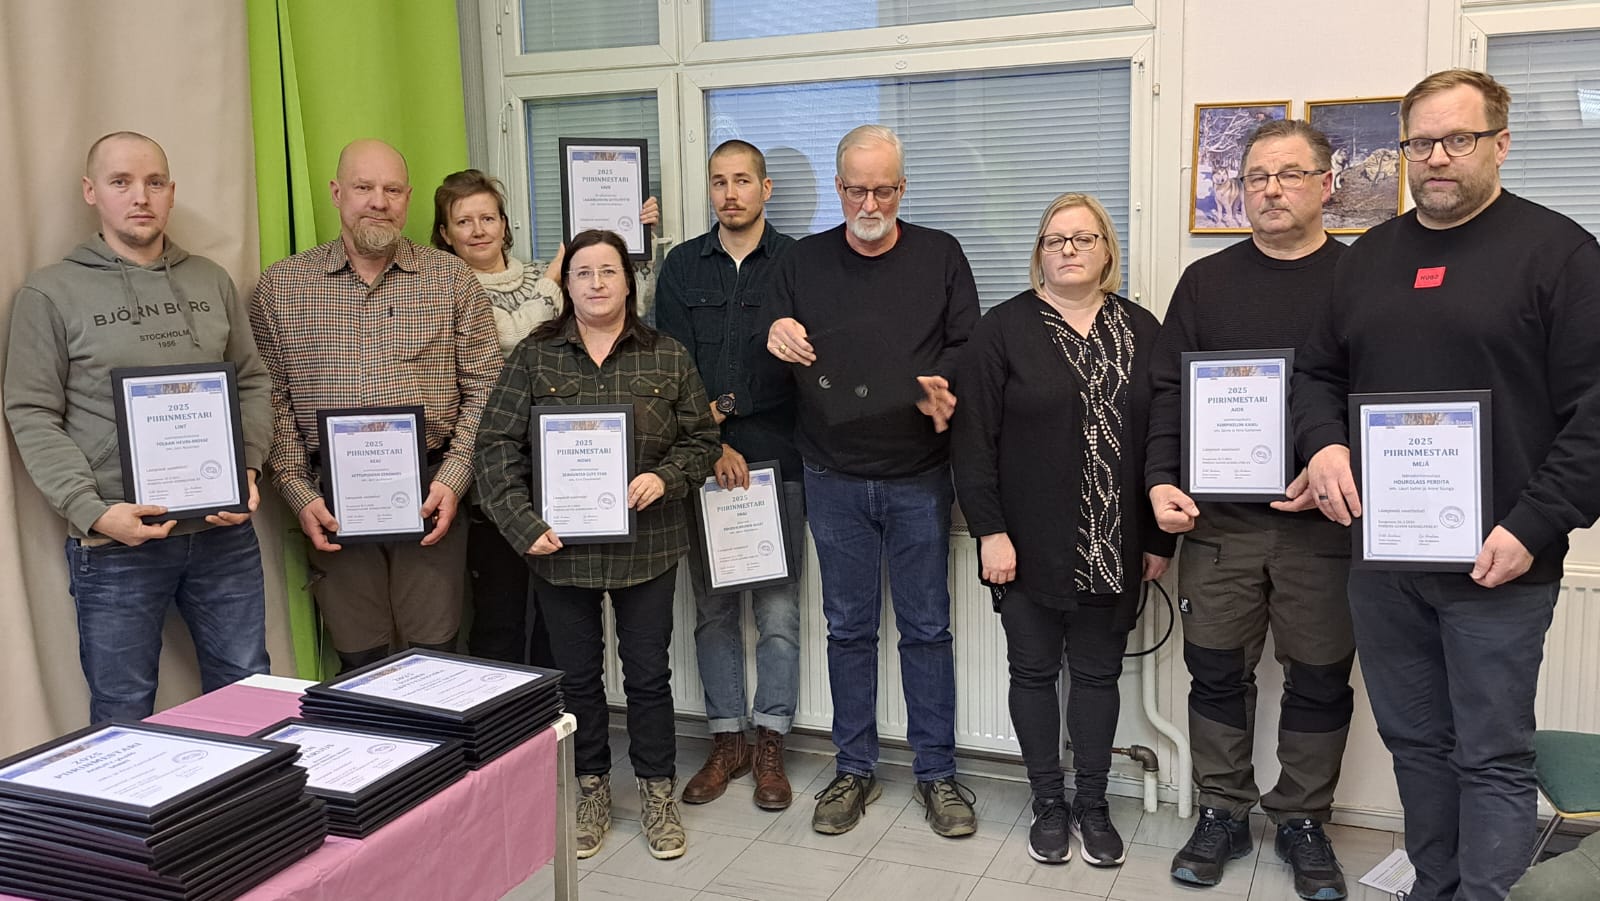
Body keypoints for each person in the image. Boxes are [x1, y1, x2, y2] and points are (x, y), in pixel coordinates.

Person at [1294, 69, 1600, 901]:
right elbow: (1318, 373)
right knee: (1417, 744)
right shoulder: (1367, 260)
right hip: (1386, 562)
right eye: (1420, 141)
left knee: (1492, 755)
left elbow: (1595, 415)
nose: (1436, 157)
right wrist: (1324, 444)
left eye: (1457, 139)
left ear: (1500, 144)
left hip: (1500, 563)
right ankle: (1435, 886)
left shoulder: (1559, 254)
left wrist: (1534, 524)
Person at [1146, 120, 1355, 899]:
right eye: (1256, 176)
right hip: (1221, 525)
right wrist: (1160, 477)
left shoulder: (1360, 278)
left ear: (1326, 184)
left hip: (1323, 527)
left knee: (1321, 677)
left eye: (1290, 174)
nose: (1270, 189)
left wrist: (1338, 465)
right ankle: (1222, 809)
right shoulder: (1206, 282)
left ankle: (1302, 818)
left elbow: (1382, 390)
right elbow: (1168, 390)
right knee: (1214, 670)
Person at [4, 131, 271, 721]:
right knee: (122, 711)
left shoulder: (210, 280)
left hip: (222, 533)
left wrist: (247, 468)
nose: (140, 197)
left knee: (248, 693)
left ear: (172, 192)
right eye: (121, 182)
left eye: (154, 182)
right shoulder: (51, 292)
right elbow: (30, 410)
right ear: (91, 191)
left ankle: (254, 789)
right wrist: (92, 511)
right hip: (115, 542)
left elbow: (252, 381)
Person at [474, 229, 720, 861]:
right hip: (561, 552)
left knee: (648, 677)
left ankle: (657, 793)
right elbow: (495, 448)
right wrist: (522, 524)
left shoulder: (667, 355)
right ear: (566, 284)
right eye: (582, 272)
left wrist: (665, 478)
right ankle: (592, 791)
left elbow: (702, 442)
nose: (596, 283)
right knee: (578, 680)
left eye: (608, 270)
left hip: (648, 548)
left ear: (628, 281)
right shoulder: (534, 357)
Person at [765, 124, 981, 838]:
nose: (869, 203)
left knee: (927, 630)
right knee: (848, 630)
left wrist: (944, 382)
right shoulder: (801, 260)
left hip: (919, 475)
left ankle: (937, 774)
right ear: (837, 188)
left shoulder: (941, 254)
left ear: (902, 188)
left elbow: (968, 342)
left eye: (883, 190)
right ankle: (853, 768)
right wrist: (776, 333)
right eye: (856, 189)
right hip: (831, 476)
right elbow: (773, 336)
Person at [953, 193, 1173, 867]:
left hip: (1117, 543)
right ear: (1040, 254)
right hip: (1026, 545)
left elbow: (1164, 434)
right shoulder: (1002, 330)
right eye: (1055, 240)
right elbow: (973, 441)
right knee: (1033, 673)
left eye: (1083, 238)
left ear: (1107, 250)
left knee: (1099, 677)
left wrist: (1159, 539)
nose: (1069, 250)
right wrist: (990, 532)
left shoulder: (1142, 329)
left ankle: (1093, 804)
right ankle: (1048, 801)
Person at [249, 139, 502, 672]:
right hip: (331, 500)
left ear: (408, 198)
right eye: (363, 187)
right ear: (336, 193)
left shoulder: (452, 280)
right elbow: (271, 399)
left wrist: (454, 477)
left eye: (392, 189)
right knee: (361, 661)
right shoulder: (281, 287)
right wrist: (297, 491)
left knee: (435, 660)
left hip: (432, 493)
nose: (378, 202)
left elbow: (485, 386)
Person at [430, 169, 660, 667]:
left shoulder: (543, 274)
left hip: (568, 475)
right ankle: (504, 715)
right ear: (445, 233)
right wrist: (554, 285)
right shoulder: (443, 287)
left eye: (488, 217)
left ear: (504, 223)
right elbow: (521, 337)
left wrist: (638, 240)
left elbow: (613, 311)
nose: (479, 230)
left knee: (557, 626)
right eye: (464, 221)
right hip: (497, 472)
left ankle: (553, 715)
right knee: (500, 612)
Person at [655, 140, 801, 810]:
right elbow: (673, 366)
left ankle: (771, 741)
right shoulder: (683, 266)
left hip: (779, 460)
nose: (730, 193)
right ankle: (727, 740)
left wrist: (732, 408)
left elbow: (801, 365)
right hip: (701, 463)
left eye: (743, 180)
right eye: (719, 182)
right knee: (712, 612)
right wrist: (710, 440)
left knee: (778, 613)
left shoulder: (797, 262)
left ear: (766, 189)